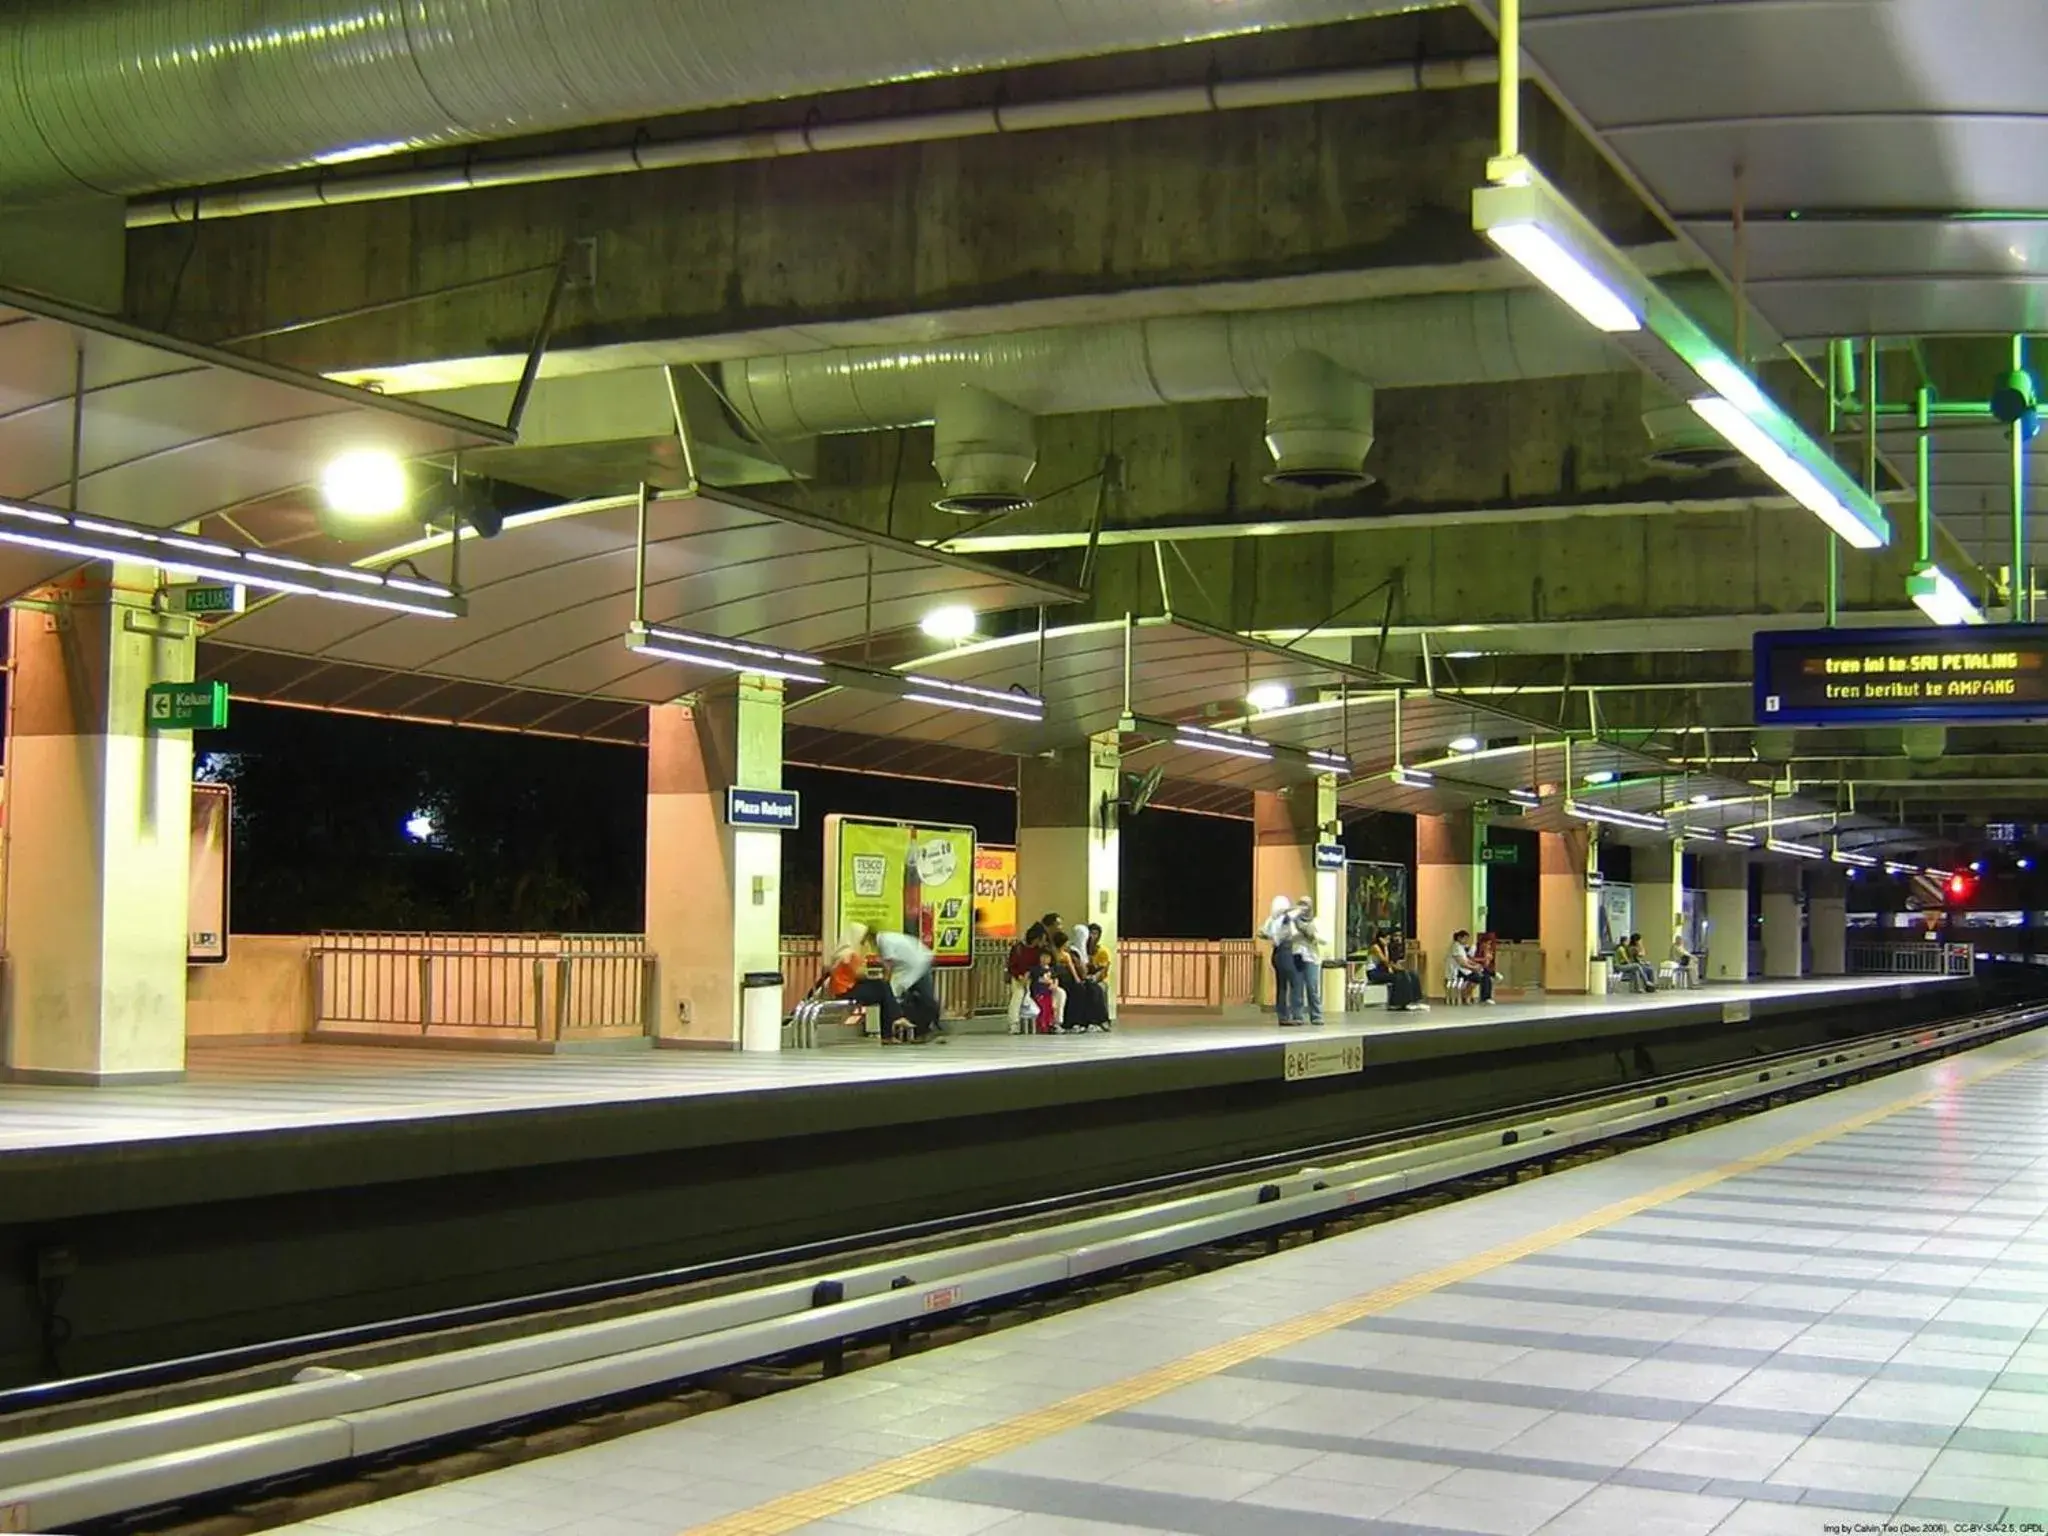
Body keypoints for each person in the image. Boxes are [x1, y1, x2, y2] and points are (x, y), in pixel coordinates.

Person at [1364, 926, 1426, 1012]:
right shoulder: (1375, 947)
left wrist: (1403, 970)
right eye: (1387, 939)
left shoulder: (1387, 946)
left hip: (1382, 971)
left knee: (1411, 974)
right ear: (1380, 938)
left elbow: (1392, 962)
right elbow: (1385, 961)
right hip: (1373, 973)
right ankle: (1396, 1003)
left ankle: (1414, 1000)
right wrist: (1385, 948)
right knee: (1398, 978)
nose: (1388, 941)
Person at [1261, 895, 1301, 1024]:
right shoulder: (1286, 919)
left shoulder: (1271, 919)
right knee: (1295, 982)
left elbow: (1261, 932)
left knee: (1281, 986)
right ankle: (1296, 1015)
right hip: (1286, 951)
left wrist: (1273, 937)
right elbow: (1296, 915)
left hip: (1276, 953)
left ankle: (1282, 1016)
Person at [1287, 897, 1326, 1026]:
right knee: (1296, 987)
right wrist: (1300, 929)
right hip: (1297, 955)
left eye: (1306, 904)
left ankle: (1316, 1015)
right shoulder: (1293, 920)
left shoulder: (1317, 921)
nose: (1303, 907)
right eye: (1301, 904)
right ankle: (1297, 1016)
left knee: (1312, 987)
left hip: (1312, 957)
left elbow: (1324, 939)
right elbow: (1291, 936)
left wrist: (1312, 936)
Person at [1445, 929, 1494, 1004]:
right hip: (1457, 970)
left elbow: (1467, 959)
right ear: (1459, 938)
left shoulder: (1460, 946)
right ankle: (1466, 996)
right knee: (1479, 977)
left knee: (1482, 974)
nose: (1466, 940)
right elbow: (1462, 963)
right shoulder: (1455, 947)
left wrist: (1475, 965)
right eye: (1465, 938)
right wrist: (1474, 968)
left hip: (1464, 969)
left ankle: (1469, 995)